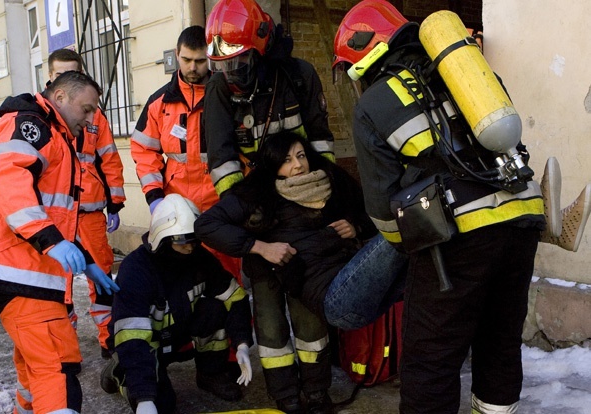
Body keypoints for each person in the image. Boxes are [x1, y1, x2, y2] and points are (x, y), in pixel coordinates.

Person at [332, 1, 547, 412]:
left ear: (363, 60)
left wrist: (407, 250)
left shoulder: (373, 104)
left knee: (430, 361)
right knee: (499, 342)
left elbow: (381, 211)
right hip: (522, 219)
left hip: (456, 238)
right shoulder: (464, 73)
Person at [0, 71, 120, 413]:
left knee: (35, 360)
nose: (90, 121)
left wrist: (85, 259)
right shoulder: (32, 125)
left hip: (18, 263)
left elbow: (52, 211)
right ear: (59, 97)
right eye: (86, 110)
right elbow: (11, 183)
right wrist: (51, 242)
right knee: (56, 364)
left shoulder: (53, 133)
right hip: (14, 264)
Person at [195, 131, 385, 413]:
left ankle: (317, 393)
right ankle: (285, 395)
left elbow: (370, 212)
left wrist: (356, 226)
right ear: (272, 165)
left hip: (309, 274)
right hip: (266, 272)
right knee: (272, 335)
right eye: (286, 160)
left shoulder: (331, 180)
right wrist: (259, 246)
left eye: (300, 156)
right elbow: (207, 226)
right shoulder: (255, 191)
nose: (297, 165)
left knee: (312, 332)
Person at [99, 194, 253, 414]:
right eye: (182, 242)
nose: (190, 248)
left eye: (195, 240)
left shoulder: (201, 259)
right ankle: (119, 373)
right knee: (162, 406)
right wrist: (143, 398)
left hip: (179, 335)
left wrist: (242, 344)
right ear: (162, 239)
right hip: (146, 345)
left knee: (215, 308)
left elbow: (235, 297)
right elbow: (132, 337)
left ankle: (211, 373)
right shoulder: (136, 270)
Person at [130, 25, 240, 279]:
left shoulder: (228, 98)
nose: (192, 68)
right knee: (178, 278)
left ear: (210, 57)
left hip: (220, 204)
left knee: (226, 275)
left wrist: (237, 196)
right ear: (177, 54)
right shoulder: (160, 102)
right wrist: (155, 196)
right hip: (175, 206)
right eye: (186, 60)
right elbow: (144, 150)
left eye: (200, 61)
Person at [204, 0, 335, 197]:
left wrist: (326, 185)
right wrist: (238, 203)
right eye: (222, 64)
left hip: (304, 188)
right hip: (254, 192)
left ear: (259, 51)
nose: (229, 72)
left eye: (238, 61)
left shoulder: (299, 75)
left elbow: (320, 140)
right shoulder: (219, 87)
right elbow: (221, 157)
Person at [48, 48, 126, 360]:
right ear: (53, 79)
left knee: (103, 279)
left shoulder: (95, 116)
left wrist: (116, 203)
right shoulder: (38, 118)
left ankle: (112, 339)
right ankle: (63, 351)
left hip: (90, 212)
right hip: (56, 217)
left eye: (74, 71)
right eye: (60, 73)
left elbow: (109, 157)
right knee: (58, 286)